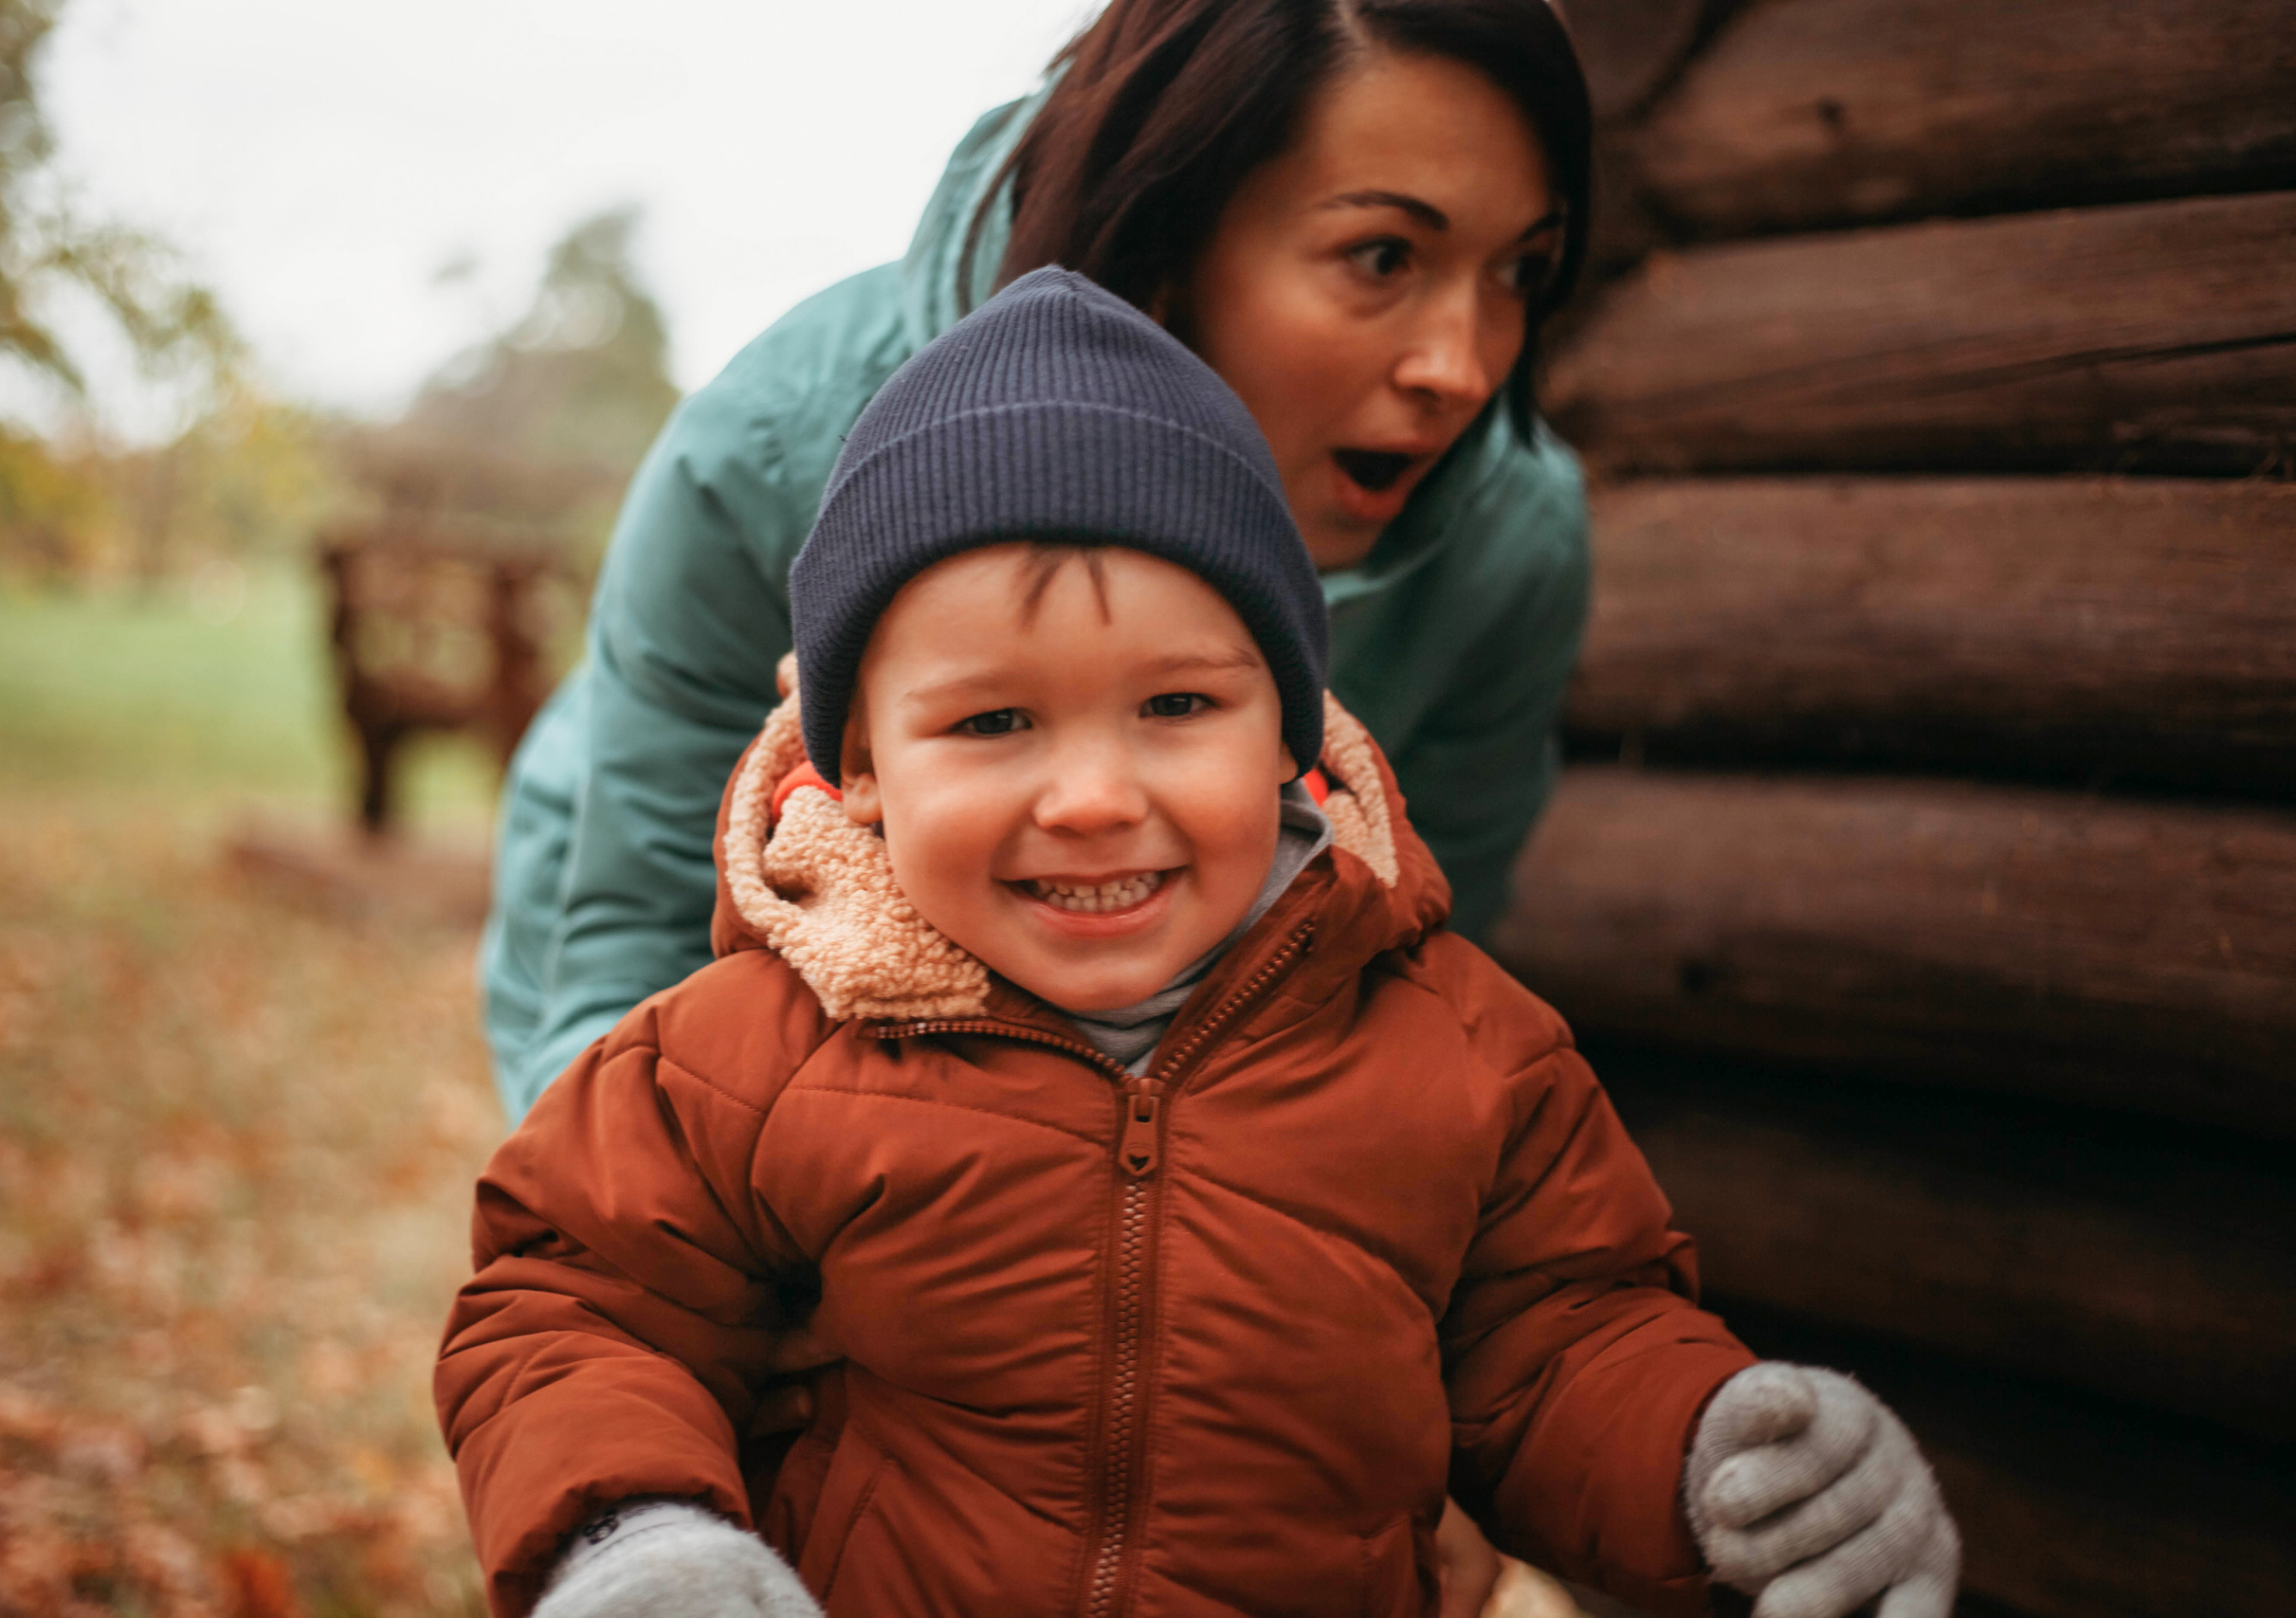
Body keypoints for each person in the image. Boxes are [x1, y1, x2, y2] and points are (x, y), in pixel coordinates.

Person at [435, 270, 1960, 1618]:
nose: (1096, 797)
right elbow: (575, 1302)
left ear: (1291, 738)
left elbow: (1564, 1341)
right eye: (992, 720)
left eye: (1176, 706)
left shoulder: (1460, 1048)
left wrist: (1715, 1445)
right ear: (860, 776)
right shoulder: (746, 1059)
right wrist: (639, 1539)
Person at [483, 0, 1602, 1122]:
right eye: (1382, 256)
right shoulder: (779, 445)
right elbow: (626, 949)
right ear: (1170, 240)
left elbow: (1422, 975)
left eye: (1519, 270)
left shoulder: (1511, 538)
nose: (1461, 367)